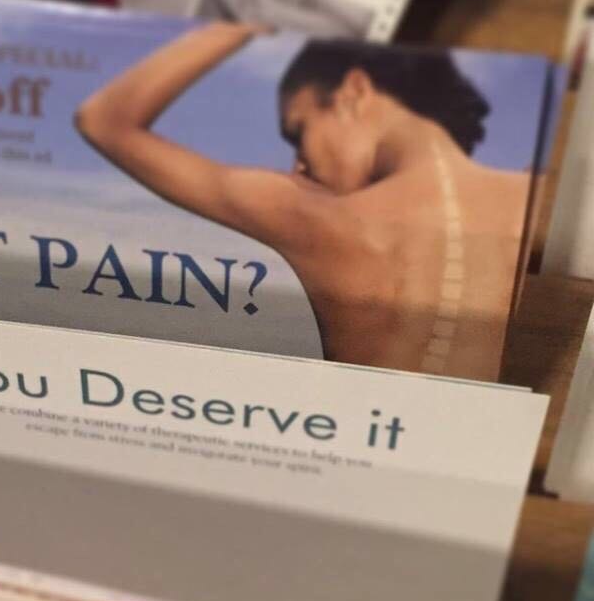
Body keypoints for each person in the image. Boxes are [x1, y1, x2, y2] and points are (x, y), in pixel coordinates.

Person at [75, 24, 530, 380]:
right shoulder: (533, 198)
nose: (298, 165)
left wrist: (244, 22)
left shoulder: (319, 219)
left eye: (298, 131)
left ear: (354, 91)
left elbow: (104, 120)